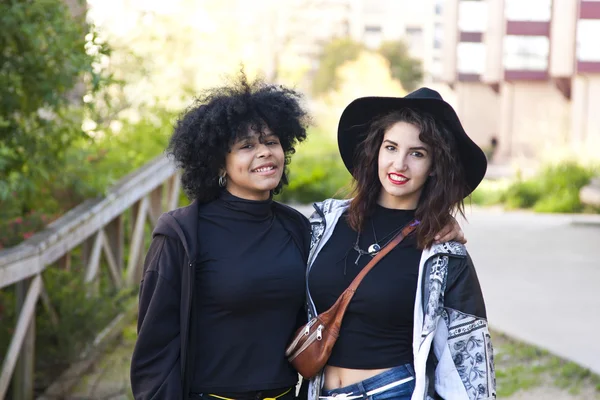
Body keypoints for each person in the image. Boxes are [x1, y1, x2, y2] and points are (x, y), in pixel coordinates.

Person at [129, 73, 466, 400]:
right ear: (219, 162)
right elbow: (154, 352)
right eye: (246, 145)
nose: (263, 152)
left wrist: (436, 221)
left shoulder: (301, 228)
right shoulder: (183, 234)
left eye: (271, 142)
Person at [305, 88, 495, 400]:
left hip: (393, 391)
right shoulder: (324, 224)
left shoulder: (442, 250)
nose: (399, 164)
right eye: (391, 147)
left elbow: (467, 354)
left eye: (417, 153)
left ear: (434, 165)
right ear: (375, 151)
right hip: (320, 392)